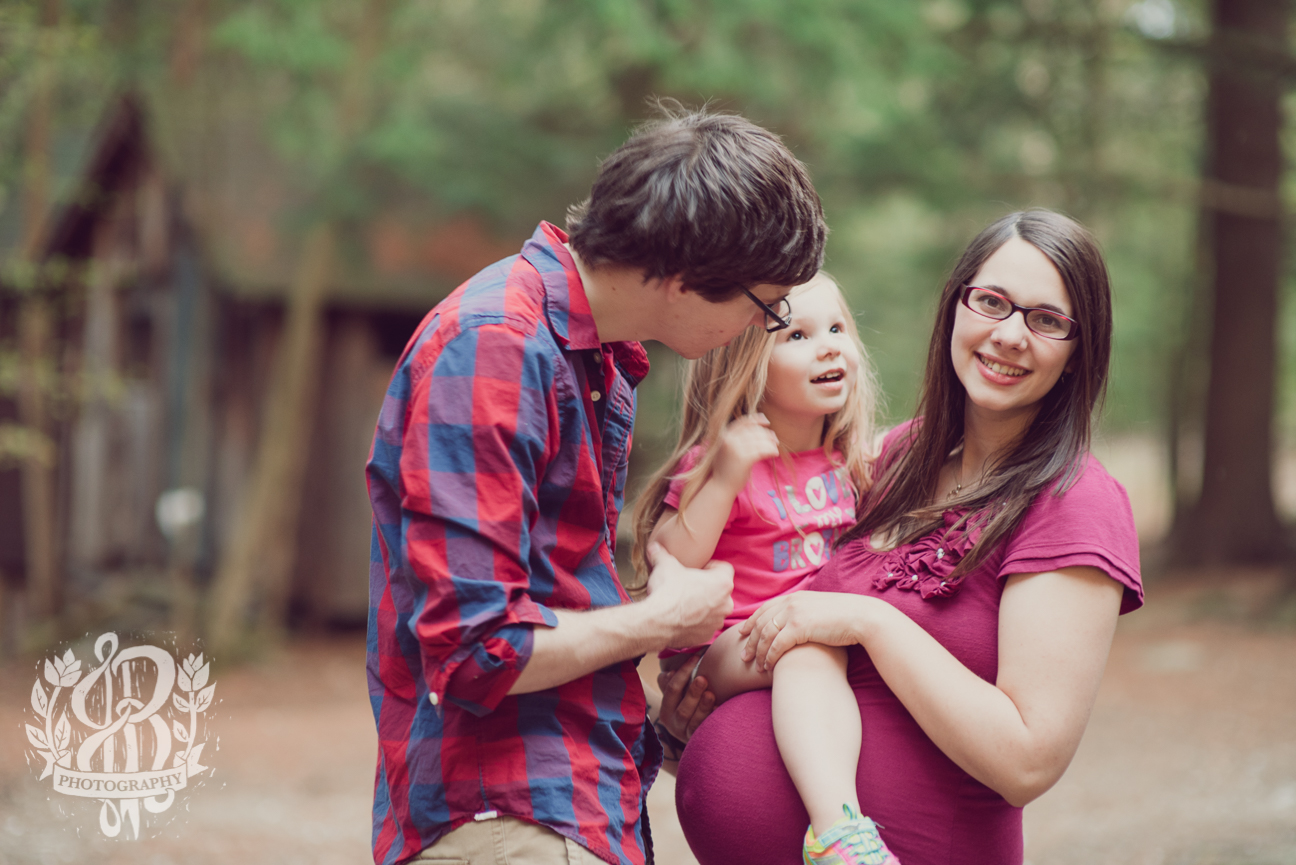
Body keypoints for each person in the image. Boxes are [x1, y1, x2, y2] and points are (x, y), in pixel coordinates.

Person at [364, 103, 827, 865]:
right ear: (684, 279)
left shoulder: (587, 356)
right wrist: (661, 618)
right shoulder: (497, 346)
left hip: (570, 808)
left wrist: (656, 702)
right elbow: (477, 650)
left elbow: (546, 612)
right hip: (508, 816)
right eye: (765, 305)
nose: (760, 328)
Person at [674, 209, 1143, 865]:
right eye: (992, 302)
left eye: (1046, 319)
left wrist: (869, 620)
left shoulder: (1075, 500)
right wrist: (698, 692)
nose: (1010, 334)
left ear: (1076, 353)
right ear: (956, 307)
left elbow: (1028, 760)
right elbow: (767, 564)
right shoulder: (892, 458)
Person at [631, 272, 898, 863]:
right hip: (726, 646)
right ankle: (837, 831)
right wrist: (725, 475)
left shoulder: (852, 461)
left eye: (836, 329)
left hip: (813, 635)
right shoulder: (728, 458)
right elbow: (673, 559)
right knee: (804, 646)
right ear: (747, 362)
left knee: (814, 646)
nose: (828, 345)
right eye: (798, 335)